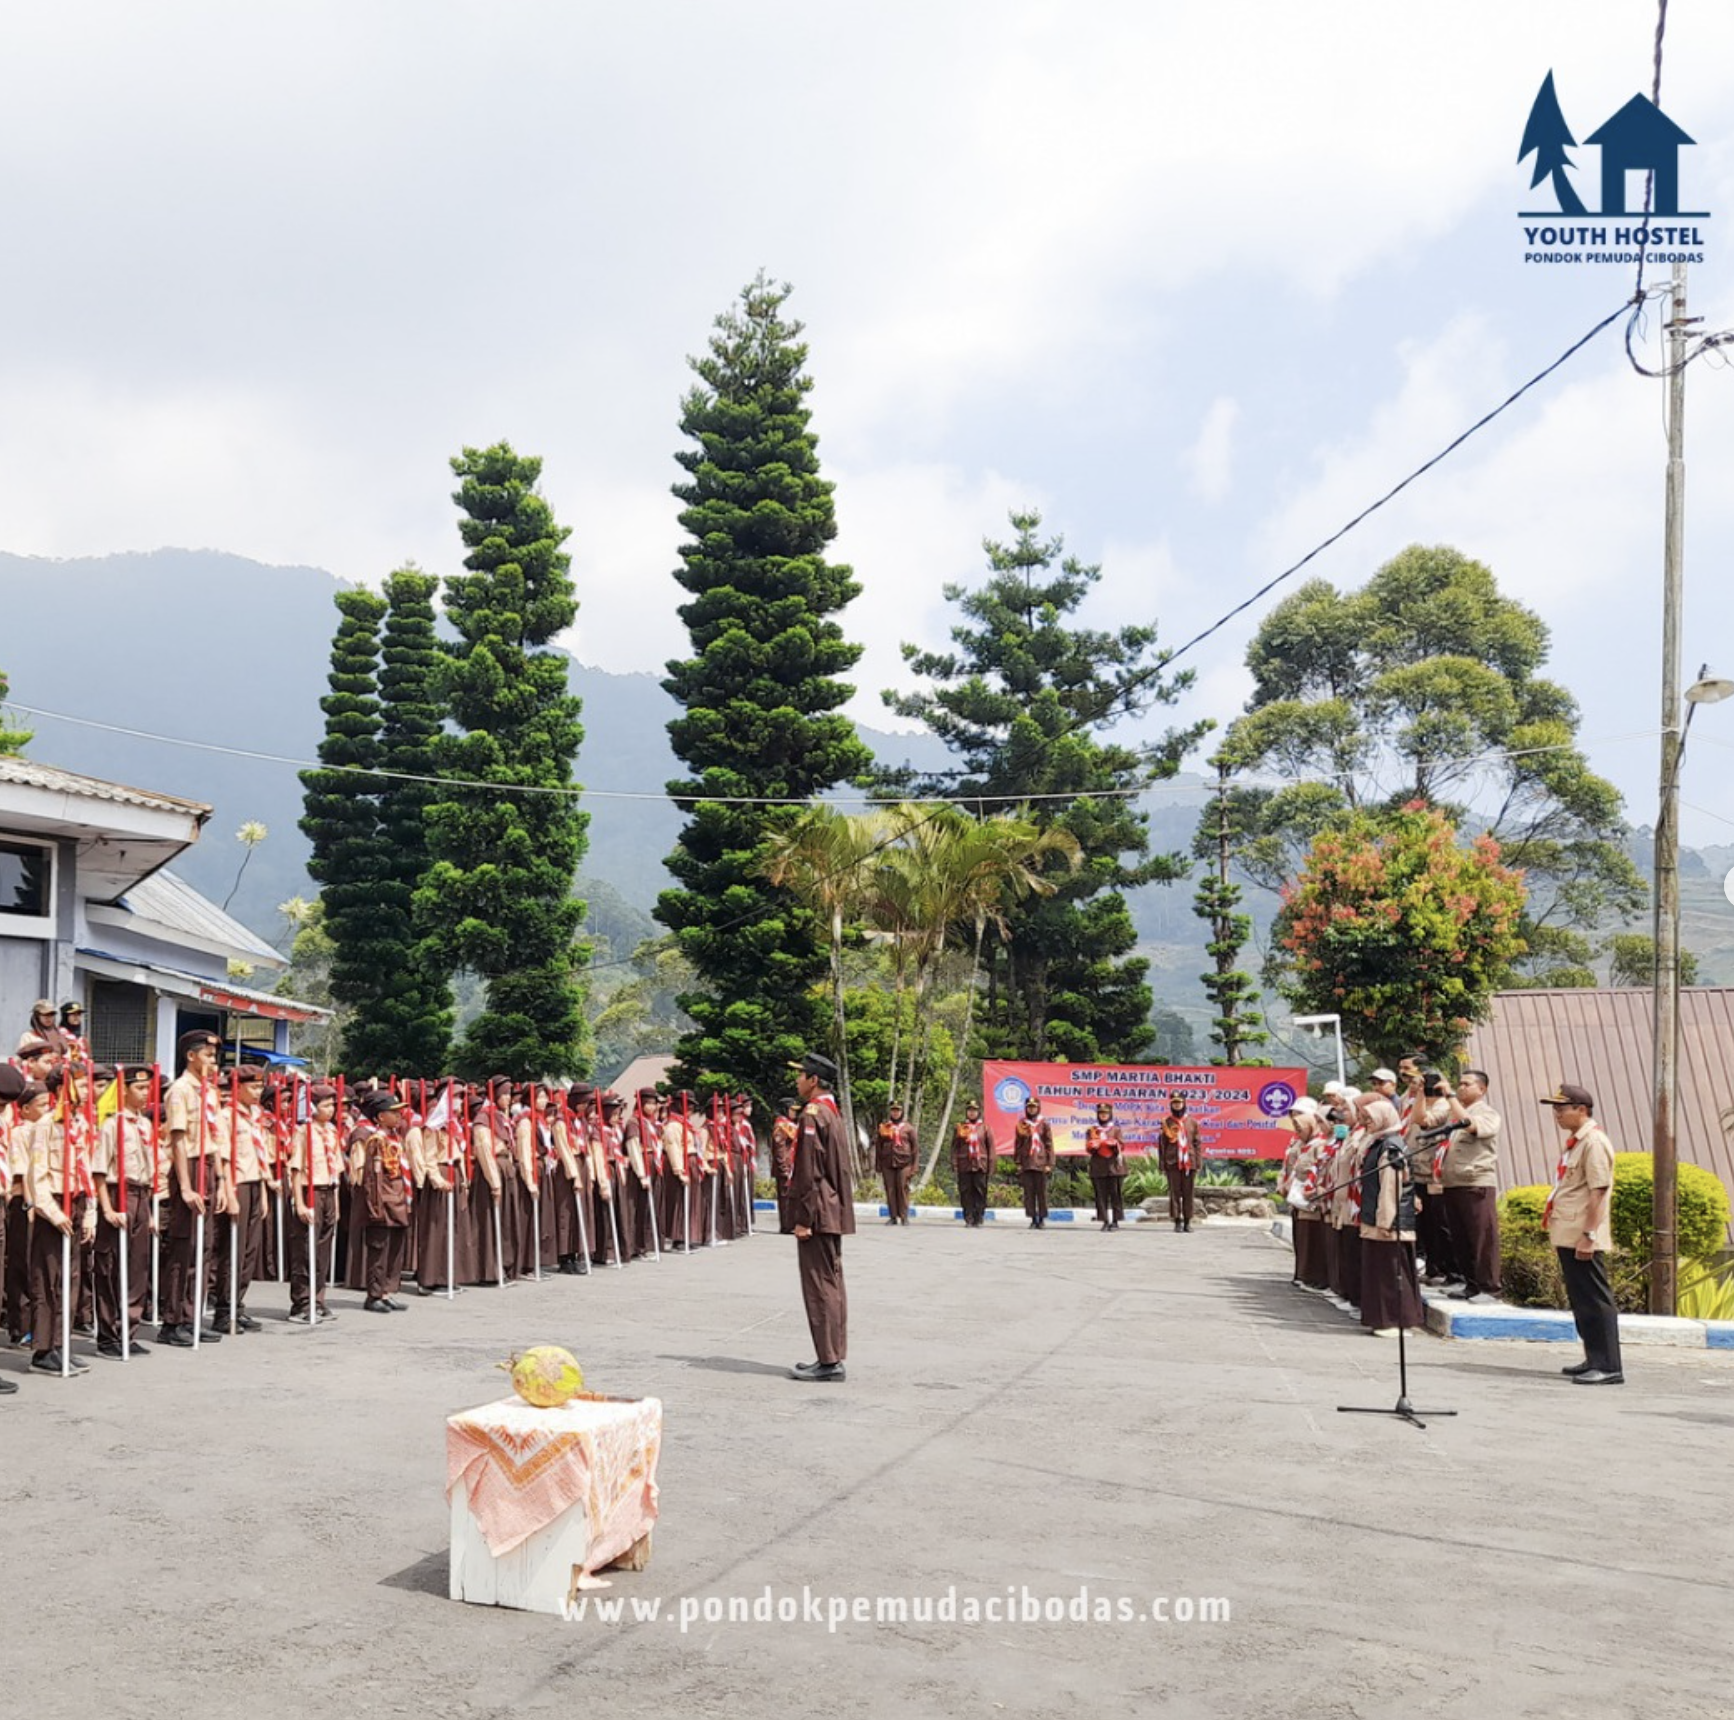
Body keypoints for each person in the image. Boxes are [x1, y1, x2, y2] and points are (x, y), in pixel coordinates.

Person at [1541, 1083, 1623, 1385]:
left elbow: (1598, 1191)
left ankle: (1608, 1365)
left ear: (1582, 1110)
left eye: (1562, 1108)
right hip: (1570, 1230)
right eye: (1555, 1109)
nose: (1557, 1114)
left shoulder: (1594, 1142)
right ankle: (1594, 1357)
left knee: (1595, 1300)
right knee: (1581, 1299)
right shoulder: (1577, 1142)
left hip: (1583, 1233)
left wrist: (1589, 1234)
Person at [160, 1031, 232, 1347]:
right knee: (184, 1246)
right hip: (188, 1166)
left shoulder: (209, 1092)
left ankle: (192, 1316)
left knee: (203, 1247)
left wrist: (222, 1183)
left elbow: (215, 1141)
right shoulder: (180, 1091)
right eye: (208, 1055)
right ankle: (173, 1320)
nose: (213, 1062)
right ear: (191, 1056)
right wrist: (186, 1187)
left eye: (215, 1056)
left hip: (207, 1166)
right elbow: (177, 1140)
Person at [24, 1064, 98, 1374]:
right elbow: (36, 1176)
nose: (87, 1091)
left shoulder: (80, 1123)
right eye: (80, 1084)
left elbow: (86, 1168)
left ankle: (61, 1342)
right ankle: (44, 1349)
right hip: (54, 1205)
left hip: (76, 1200)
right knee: (49, 1278)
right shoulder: (45, 1125)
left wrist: (90, 1211)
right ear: (61, 1089)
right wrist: (53, 1213)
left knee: (71, 1278)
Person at [787, 1052, 854, 1383]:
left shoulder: (813, 1115)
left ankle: (829, 1361)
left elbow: (809, 1171)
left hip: (818, 1213)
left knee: (820, 1286)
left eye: (801, 1075)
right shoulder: (831, 1112)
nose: (797, 1081)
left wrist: (804, 1217)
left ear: (814, 1080)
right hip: (831, 1209)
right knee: (831, 1282)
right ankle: (831, 1355)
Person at [92, 1064, 157, 1356]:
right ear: (124, 1090)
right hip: (119, 1194)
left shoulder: (145, 1125)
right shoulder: (112, 1125)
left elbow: (149, 1172)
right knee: (110, 1267)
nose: (145, 1093)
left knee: (137, 1267)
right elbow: (99, 1171)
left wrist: (149, 1213)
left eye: (147, 1088)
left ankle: (128, 1331)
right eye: (139, 1088)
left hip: (140, 1196)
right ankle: (108, 1335)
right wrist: (107, 1208)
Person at [1357, 1095, 1424, 1337]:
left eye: (1370, 1118)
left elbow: (1390, 1188)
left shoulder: (1391, 1148)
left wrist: (1385, 1221)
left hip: (1389, 1224)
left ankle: (1396, 1321)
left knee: (1391, 1274)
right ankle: (1383, 1320)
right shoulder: (1378, 1144)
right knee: (1380, 1273)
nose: (1366, 1123)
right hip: (1377, 1220)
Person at [1439, 1070, 1502, 1304]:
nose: (1461, 1088)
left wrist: (1450, 1096)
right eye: (1459, 1083)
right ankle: (1471, 1284)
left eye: (1467, 1084)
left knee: (1481, 1238)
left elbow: (1471, 1126)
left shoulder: (1487, 1113)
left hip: (1476, 1182)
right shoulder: (1454, 1114)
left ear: (1482, 1089)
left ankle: (1489, 1288)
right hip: (1453, 1182)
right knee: (1461, 1238)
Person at [287, 1083, 343, 1322]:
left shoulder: (332, 1131)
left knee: (322, 1251)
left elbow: (336, 1170)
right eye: (325, 1105)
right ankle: (301, 1302)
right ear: (313, 1107)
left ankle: (318, 1300)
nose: (331, 1110)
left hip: (328, 1191)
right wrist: (299, 1203)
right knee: (304, 1249)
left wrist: (336, 1202)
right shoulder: (304, 1132)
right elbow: (296, 1169)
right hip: (310, 1191)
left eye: (332, 1105)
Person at [356, 1090, 411, 1312]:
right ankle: (374, 1294)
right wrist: (375, 1206)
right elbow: (372, 1178)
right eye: (393, 1112)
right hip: (384, 1201)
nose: (399, 1116)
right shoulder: (376, 1141)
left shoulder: (395, 1138)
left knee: (395, 1250)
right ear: (380, 1116)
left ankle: (388, 1291)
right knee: (379, 1250)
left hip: (397, 1199)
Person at [1158, 1094, 1202, 1233]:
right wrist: (1162, 1163)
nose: (1177, 1105)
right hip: (1172, 1161)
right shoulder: (1167, 1122)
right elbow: (1162, 1145)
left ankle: (1188, 1221)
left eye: (1179, 1103)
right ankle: (1177, 1221)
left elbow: (1197, 1144)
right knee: (1174, 1192)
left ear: (1184, 1104)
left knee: (1189, 1193)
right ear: (1171, 1105)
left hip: (1189, 1161)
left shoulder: (1192, 1122)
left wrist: (1198, 1162)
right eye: (1174, 1103)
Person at [1012, 1096, 1054, 1229]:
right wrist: (1018, 1162)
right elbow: (1018, 1144)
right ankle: (1032, 1218)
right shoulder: (1022, 1124)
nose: (1031, 1109)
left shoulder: (1044, 1123)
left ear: (1038, 1108)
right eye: (1029, 1107)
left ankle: (1041, 1218)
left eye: (1034, 1107)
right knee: (1029, 1193)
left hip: (1041, 1162)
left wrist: (1049, 1163)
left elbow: (1049, 1144)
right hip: (1027, 1162)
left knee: (1041, 1193)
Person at [1085, 1101, 1127, 1231]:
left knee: (1116, 1194)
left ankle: (1115, 1221)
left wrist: (1114, 1144)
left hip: (1114, 1167)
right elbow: (1088, 1147)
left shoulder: (1115, 1129)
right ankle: (1104, 1220)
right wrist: (1093, 1146)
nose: (1103, 1116)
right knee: (1100, 1195)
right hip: (1098, 1166)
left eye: (1106, 1113)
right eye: (1101, 1113)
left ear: (1110, 1115)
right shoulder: (1092, 1130)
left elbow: (1122, 1146)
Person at [952, 1099, 993, 1227]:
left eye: (974, 1110)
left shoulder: (985, 1128)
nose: (971, 1113)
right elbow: (954, 1147)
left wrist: (991, 1166)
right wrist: (954, 1163)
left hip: (980, 1165)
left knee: (980, 1191)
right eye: (969, 1110)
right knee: (965, 1192)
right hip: (965, 1164)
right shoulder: (960, 1127)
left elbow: (991, 1149)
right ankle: (968, 1218)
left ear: (978, 1112)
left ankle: (978, 1217)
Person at [875, 1101, 917, 1226]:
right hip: (888, 1162)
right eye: (893, 1110)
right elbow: (878, 1146)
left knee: (903, 1188)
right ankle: (893, 1216)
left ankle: (904, 1216)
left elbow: (915, 1148)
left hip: (904, 1162)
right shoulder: (884, 1127)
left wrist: (914, 1166)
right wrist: (878, 1164)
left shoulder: (908, 1128)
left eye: (897, 1110)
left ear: (901, 1112)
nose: (895, 1113)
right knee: (890, 1189)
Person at [770, 1096, 800, 1233]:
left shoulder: (790, 1125)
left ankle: (791, 1224)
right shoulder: (781, 1126)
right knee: (785, 1197)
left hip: (792, 1165)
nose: (794, 1113)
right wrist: (784, 1168)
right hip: (785, 1167)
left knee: (792, 1197)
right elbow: (779, 1149)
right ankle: (787, 1225)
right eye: (792, 1110)